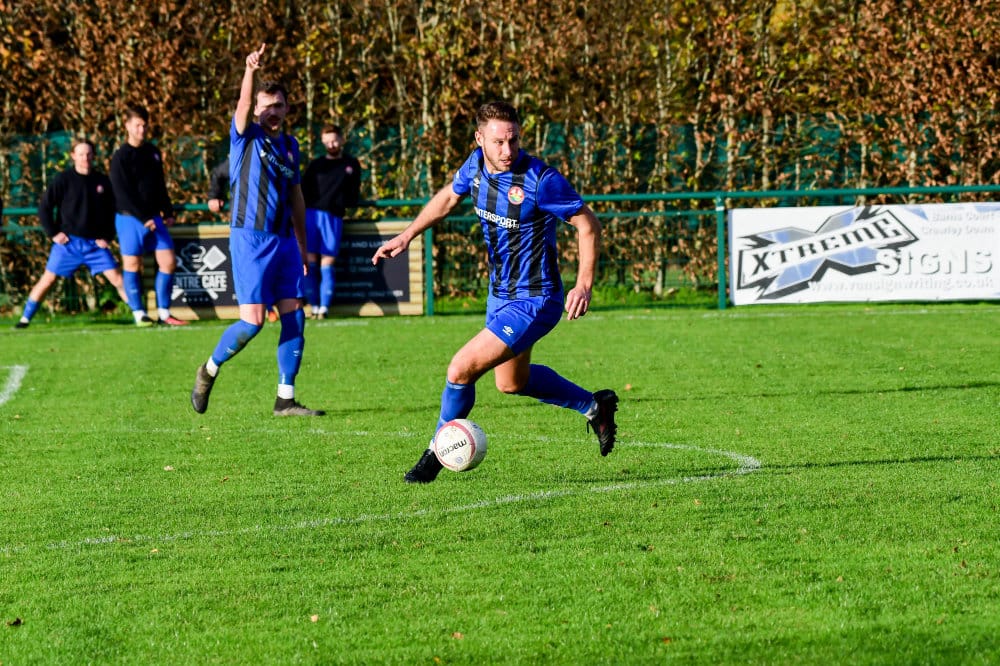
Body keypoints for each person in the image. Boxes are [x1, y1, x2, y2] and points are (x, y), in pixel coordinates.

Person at [372, 101, 619, 484]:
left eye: (514, 140)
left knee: (460, 368)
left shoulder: (541, 179)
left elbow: (588, 225)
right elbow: (447, 199)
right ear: (479, 139)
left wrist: (584, 284)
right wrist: (407, 235)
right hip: (500, 294)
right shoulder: (474, 165)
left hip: (536, 298)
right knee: (511, 383)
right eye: (499, 142)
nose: (508, 150)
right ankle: (594, 406)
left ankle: (435, 453)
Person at [190, 43, 324, 417]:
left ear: (286, 109)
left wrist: (301, 247)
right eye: (266, 106)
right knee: (252, 323)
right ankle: (209, 369)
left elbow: (296, 197)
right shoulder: (246, 135)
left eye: (278, 105)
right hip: (250, 237)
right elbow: (242, 108)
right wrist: (249, 70)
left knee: (294, 314)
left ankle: (285, 398)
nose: (271, 112)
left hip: (283, 242)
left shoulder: (292, 146)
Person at [16, 139, 142, 329]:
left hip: (94, 246)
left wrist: (107, 237)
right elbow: (44, 208)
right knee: (48, 279)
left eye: (89, 154)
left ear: (94, 156)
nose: (85, 158)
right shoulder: (63, 180)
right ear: (73, 156)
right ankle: (24, 319)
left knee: (117, 279)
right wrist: (54, 233)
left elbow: (112, 211)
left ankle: (139, 315)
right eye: (81, 154)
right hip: (68, 244)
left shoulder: (102, 181)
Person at [109, 103, 187, 326]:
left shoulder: (153, 152)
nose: (141, 130)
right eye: (137, 125)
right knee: (132, 265)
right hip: (130, 219)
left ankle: (164, 313)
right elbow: (122, 194)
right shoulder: (120, 157)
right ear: (127, 126)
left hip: (154, 217)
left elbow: (159, 185)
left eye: (144, 125)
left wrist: (168, 210)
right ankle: (139, 313)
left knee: (168, 261)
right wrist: (144, 218)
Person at [302, 124, 361, 318]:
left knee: (327, 262)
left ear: (342, 139)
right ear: (322, 142)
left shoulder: (351, 164)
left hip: (334, 217)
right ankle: (314, 306)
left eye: (334, 140)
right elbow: (301, 190)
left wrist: (344, 203)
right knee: (310, 261)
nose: (332, 144)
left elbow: (354, 194)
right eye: (327, 142)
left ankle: (325, 308)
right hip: (311, 216)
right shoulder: (315, 166)